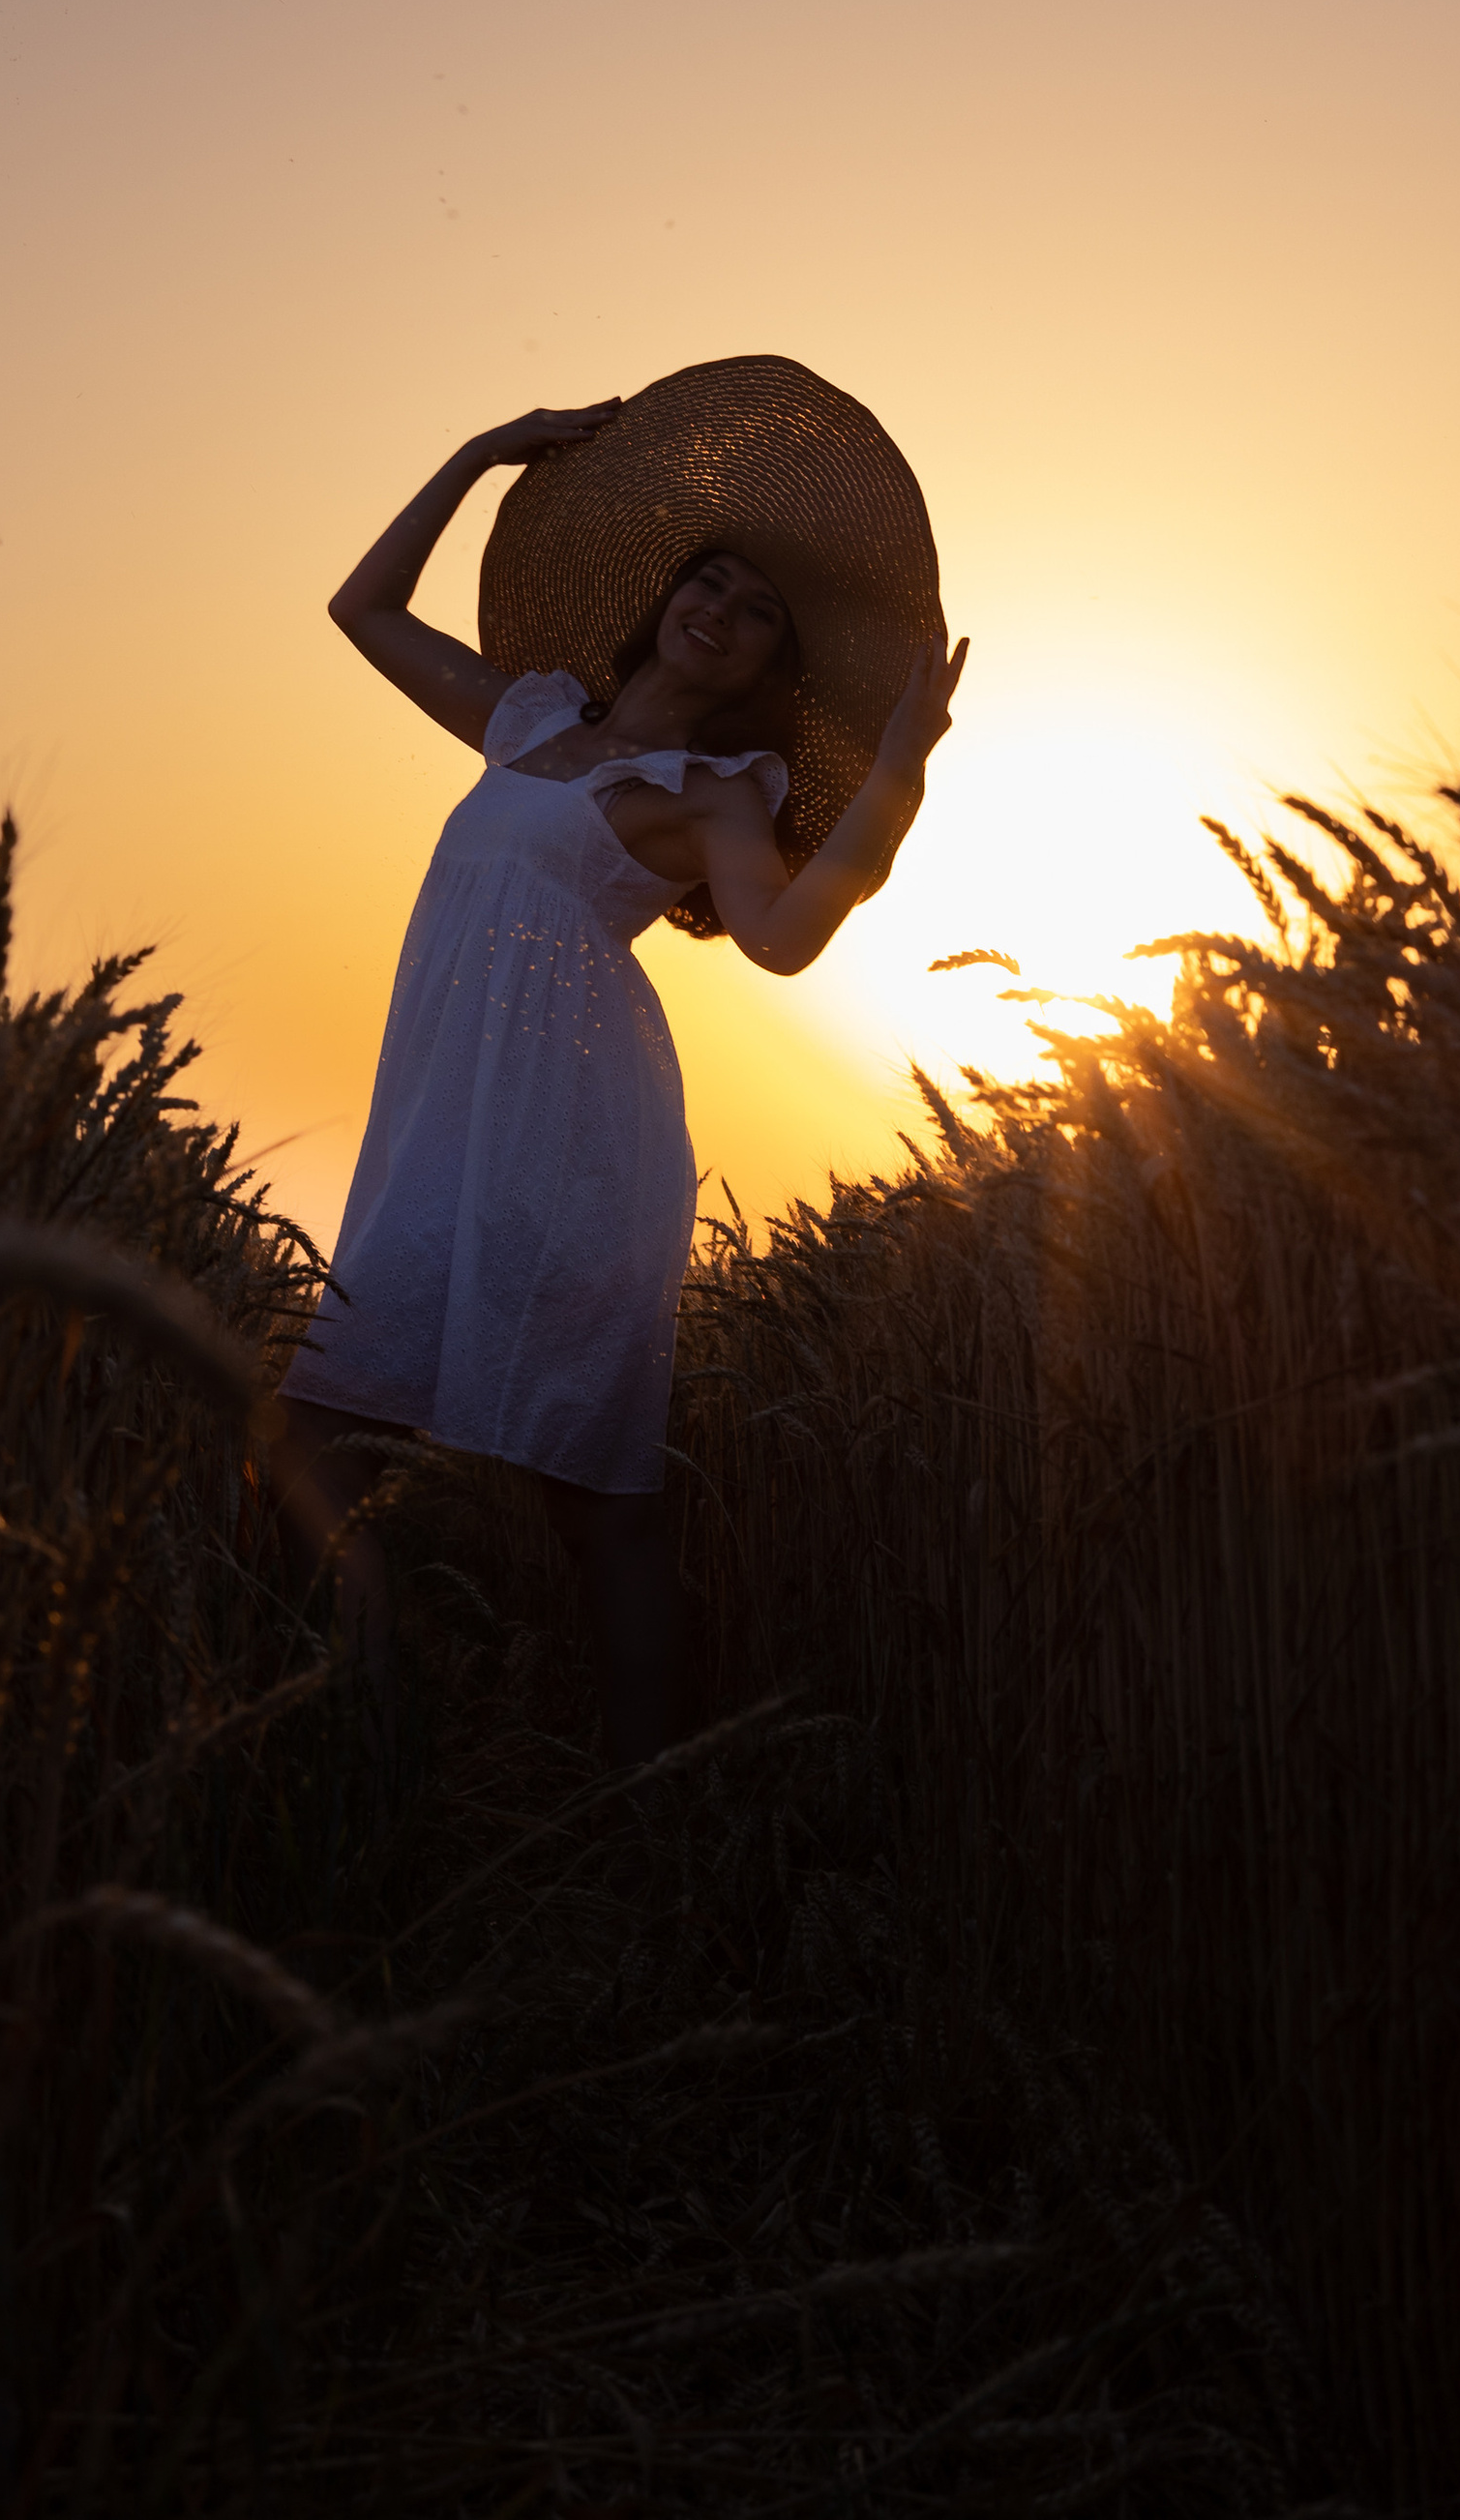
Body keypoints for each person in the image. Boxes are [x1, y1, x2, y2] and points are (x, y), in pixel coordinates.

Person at [278, 355, 962, 1764]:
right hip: (438, 1132)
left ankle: (651, 1795)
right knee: (320, 1434)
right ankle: (365, 1731)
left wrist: (896, 775)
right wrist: (482, 452)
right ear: (666, 596)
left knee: (595, 1496)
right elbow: (360, 609)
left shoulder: (713, 798)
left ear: (773, 671)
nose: (725, 613)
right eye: (713, 582)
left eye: (762, 617)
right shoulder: (529, 722)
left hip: (568, 1142)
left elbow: (778, 941)